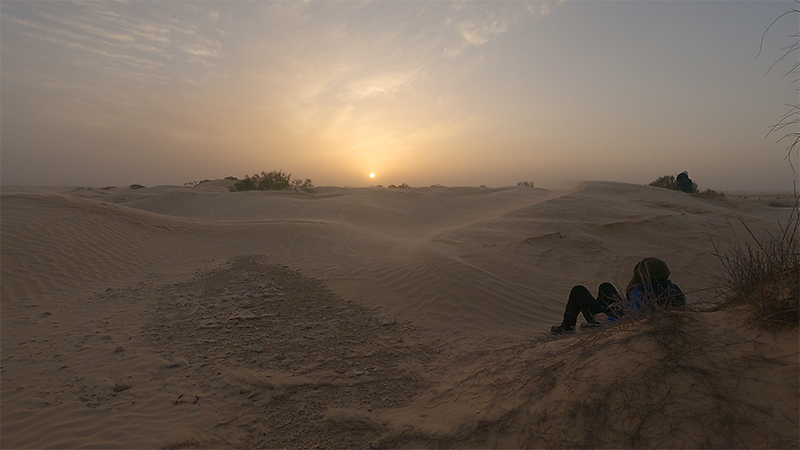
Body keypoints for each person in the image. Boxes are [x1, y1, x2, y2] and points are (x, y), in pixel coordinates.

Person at [550, 258, 685, 335]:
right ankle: (592, 325)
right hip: (621, 310)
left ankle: (566, 328)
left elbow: (632, 323)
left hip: (613, 321)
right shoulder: (673, 289)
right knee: (605, 287)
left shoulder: (640, 292)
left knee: (578, 291)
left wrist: (607, 320)